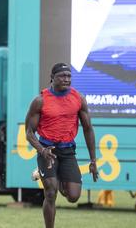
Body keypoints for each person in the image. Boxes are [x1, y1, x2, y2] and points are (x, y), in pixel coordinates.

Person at [25, 62, 98, 228]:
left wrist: (93, 160)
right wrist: (42, 151)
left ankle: (52, 175)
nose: (66, 79)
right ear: (52, 78)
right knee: (51, 192)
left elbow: (88, 129)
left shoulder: (78, 98)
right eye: (62, 76)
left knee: (73, 196)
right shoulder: (40, 101)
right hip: (47, 151)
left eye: (69, 76)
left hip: (67, 151)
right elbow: (29, 133)